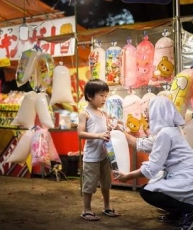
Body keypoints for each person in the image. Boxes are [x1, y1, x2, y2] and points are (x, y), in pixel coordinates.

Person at [115, 96, 193, 230]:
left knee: (148, 192)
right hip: (185, 175)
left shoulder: (165, 134)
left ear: (158, 111)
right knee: (156, 185)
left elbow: (152, 167)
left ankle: (188, 211)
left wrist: (128, 176)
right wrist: (120, 131)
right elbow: (139, 144)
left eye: (148, 111)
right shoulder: (170, 130)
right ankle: (178, 213)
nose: (146, 115)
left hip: (186, 178)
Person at [78, 79, 119, 221]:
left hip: (105, 155)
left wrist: (113, 126)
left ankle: (107, 206)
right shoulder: (85, 113)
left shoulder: (103, 113)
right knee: (89, 184)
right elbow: (80, 133)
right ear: (90, 95)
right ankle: (87, 210)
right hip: (91, 157)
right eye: (101, 95)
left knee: (106, 183)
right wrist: (99, 135)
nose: (104, 99)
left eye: (106, 96)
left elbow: (106, 129)